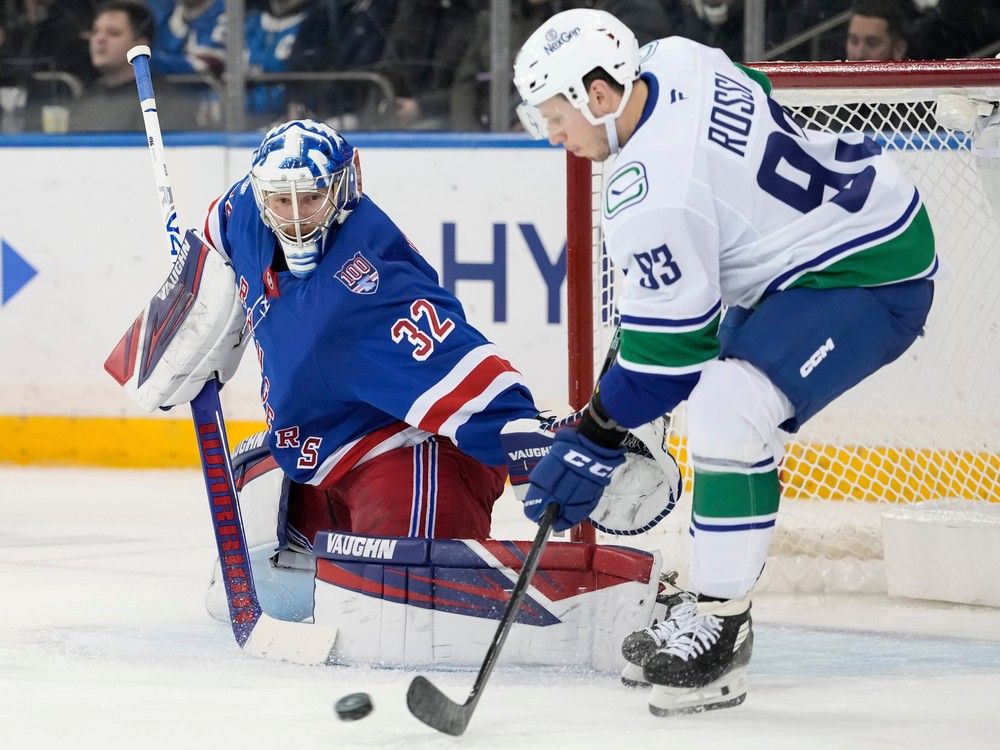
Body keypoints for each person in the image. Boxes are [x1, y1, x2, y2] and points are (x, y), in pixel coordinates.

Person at [513, 8, 937, 716]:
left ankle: (722, 624)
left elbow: (670, 359)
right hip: (846, 224)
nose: (553, 135)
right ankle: (712, 592)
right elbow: (756, 93)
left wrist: (591, 438)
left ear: (597, 93)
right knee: (717, 398)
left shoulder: (650, 194)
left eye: (553, 116)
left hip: (870, 270)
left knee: (726, 409)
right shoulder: (674, 57)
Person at [200, 119, 543, 544]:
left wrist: (539, 457)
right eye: (280, 200)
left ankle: (421, 579)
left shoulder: (369, 286)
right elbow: (215, 227)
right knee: (253, 477)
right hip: (324, 444)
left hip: (407, 446)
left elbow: (469, 376)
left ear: (345, 188)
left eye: (310, 198)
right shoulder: (248, 214)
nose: (293, 217)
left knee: (408, 554)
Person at [68, 0, 201, 132]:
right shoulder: (88, 97)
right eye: (95, 32)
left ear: (141, 45)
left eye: (113, 33)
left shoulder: (165, 101)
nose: (100, 39)